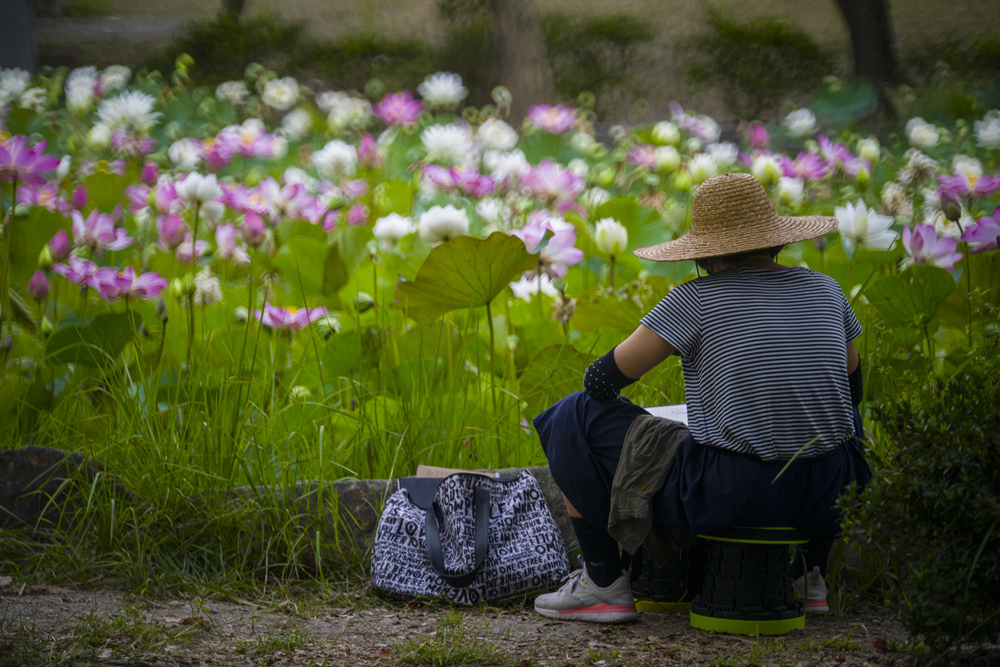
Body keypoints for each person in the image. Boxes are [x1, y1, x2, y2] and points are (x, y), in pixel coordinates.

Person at [532, 173, 871, 623]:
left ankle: (603, 582)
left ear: (704, 251)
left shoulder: (694, 298)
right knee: (843, 419)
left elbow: (600, 382)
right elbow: (853, 390)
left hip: (738, 491)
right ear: (775, 240)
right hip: (835, 491)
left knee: (571, 414)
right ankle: (813, 579)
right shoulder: (827, 289)